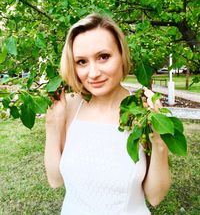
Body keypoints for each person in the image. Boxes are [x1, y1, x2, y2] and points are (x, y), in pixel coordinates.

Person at [44, 13, 171, 215]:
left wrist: (159, 142)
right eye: (82, 62)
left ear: (122, 55)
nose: (93, 73)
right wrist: (53, 125)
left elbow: (155, 197)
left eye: (103, 57)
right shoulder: (69, 107)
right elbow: (55, 180)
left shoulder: (143, 110)